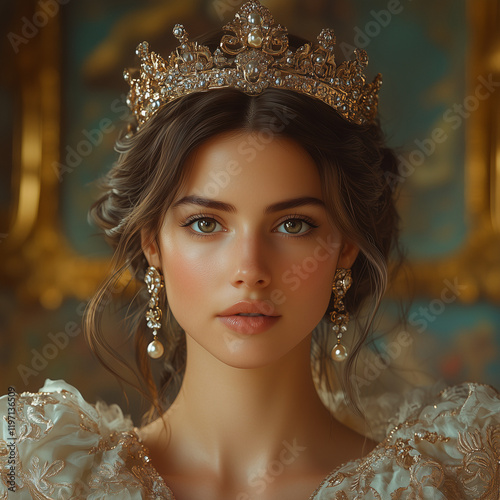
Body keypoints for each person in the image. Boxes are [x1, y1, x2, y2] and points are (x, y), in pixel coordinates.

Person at [1, 1, 499, 498]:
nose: (250, 270)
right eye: (205, 223)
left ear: (345, 246)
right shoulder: (40, 476)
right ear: (152, 242)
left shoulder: (447, 484)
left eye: (293, 224)